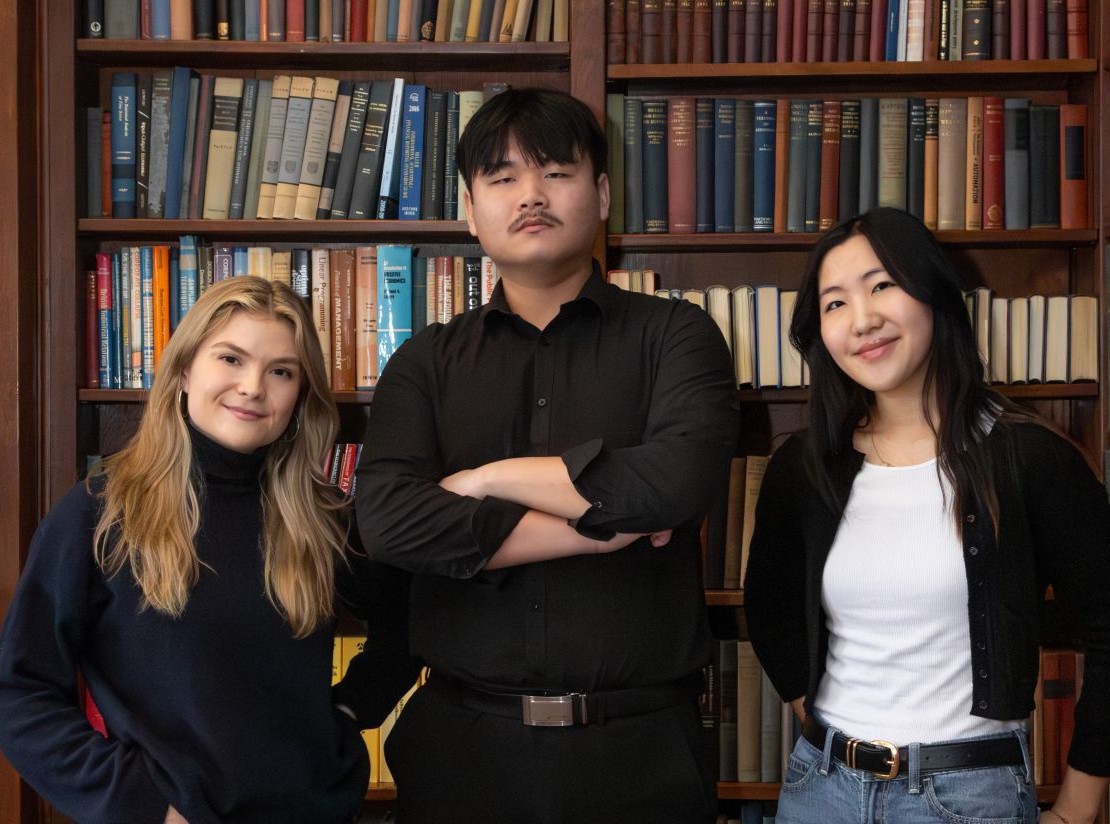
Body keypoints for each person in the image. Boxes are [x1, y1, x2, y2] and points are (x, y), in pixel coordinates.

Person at [336, 87, 739, 823]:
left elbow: (674, 484)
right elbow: (389, 522)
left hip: (641, 752)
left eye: (555, 171)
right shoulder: (425, 362)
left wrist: (486, 480)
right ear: (469, 209)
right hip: (463, 752)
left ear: (603, 192)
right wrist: (599, 526)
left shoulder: (677, 337)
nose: (531, 195)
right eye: (502, 177)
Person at [0, 276, 417, 823]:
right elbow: (21, 695)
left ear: (300, 397)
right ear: (182, 371)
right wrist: (143, 806)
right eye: (231, 359)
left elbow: (411, 625)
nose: (252, 387)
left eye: (281, 371)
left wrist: (347, 710)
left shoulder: (325, 517)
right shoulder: (99, 515)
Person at [744, 207, 1110, 824]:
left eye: (882, 284)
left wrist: (1076, 809)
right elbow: (770, 605)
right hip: (821, 789)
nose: (862, 320)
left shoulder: (1029, 458)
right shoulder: (804, 465)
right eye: (834, 303)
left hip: (967, 797)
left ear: (935, 292)